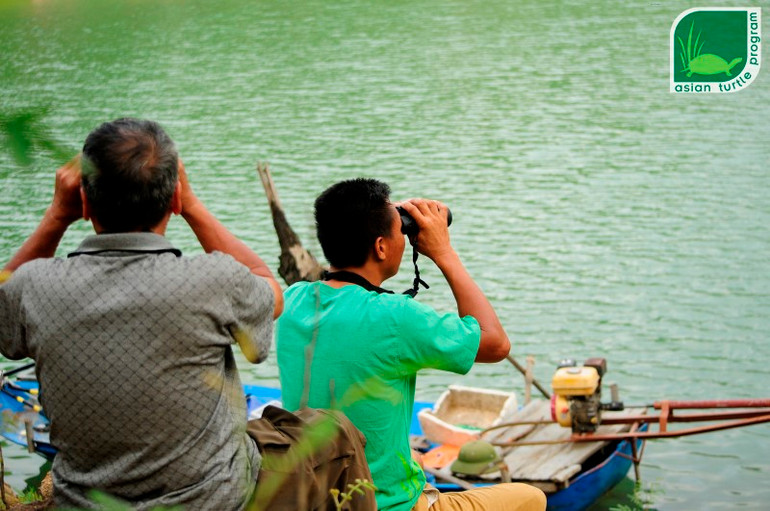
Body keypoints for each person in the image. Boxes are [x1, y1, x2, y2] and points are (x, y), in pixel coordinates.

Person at [0, 119, 373, 511]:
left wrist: (57, 215)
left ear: (84, 201)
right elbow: (270, 290)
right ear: (173, 200)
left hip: (84, 502)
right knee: (336, 433)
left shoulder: (35, 286)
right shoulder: (211, 280)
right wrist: (192, 206)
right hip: (213, 499)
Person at [276, 178, 547, 511]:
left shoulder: (292, 302)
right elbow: (495, 343)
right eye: (398, 231)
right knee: (530, 498)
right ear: (380, 247)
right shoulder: (394, 317)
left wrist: (384, 216)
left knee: (412, 455)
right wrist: (443, 251)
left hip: (314, 497)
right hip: (389, 505)